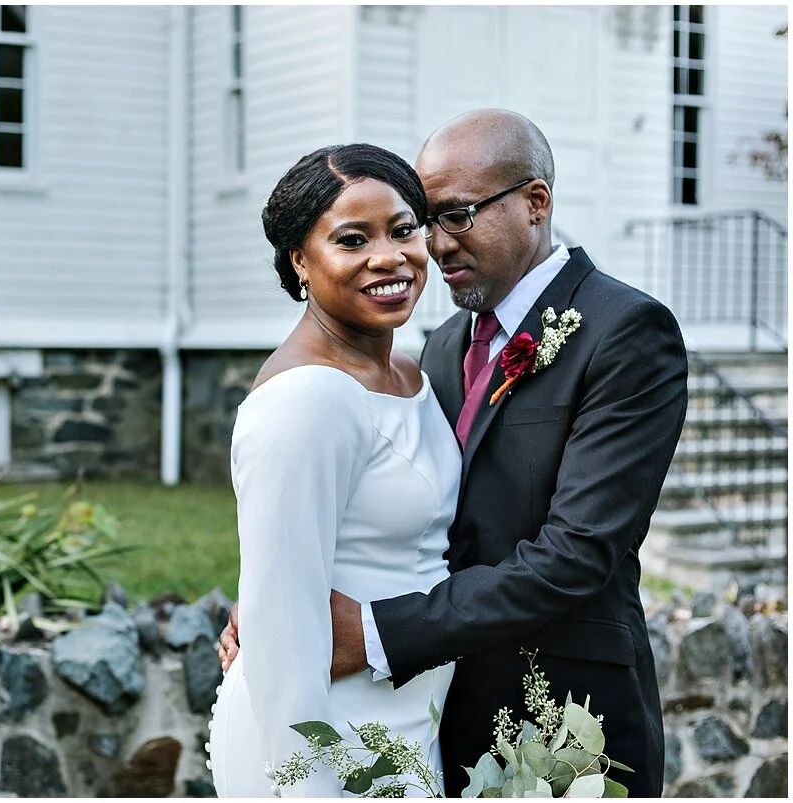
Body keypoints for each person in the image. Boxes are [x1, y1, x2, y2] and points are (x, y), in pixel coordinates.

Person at [219, 109, 688, 797]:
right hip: (430, 717)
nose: (434, 245)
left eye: (455, 215)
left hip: (564, 720)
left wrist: (373, 630)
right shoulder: (440, 347)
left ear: (536, 202)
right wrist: (275, 599)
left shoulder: (625, 333)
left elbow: (579, 549)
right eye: (426, 219)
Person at [206, 143, 461, 798]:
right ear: (300, 259)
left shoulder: (411, 372)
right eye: (353, 239)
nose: (390, 255)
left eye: (404, 229)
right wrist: (308, 784)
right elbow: (284, 643)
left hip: (402, 718)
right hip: (326, 737)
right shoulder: (305, 399)